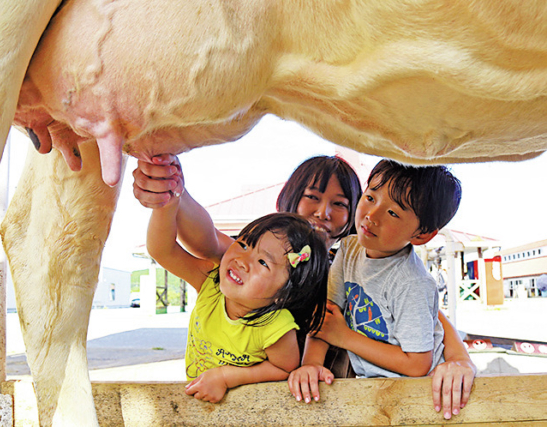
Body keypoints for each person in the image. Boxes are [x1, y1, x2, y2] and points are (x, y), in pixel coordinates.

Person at [133, 154, 476, 419]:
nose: (323, 212)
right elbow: (208, 242)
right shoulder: (262, 258)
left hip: (324, 401)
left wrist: (460, 360)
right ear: (291, 196)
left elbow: (429, 316)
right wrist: (174, 188)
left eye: (340, 204)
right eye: (312, 197)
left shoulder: (352, 263)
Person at [289, 160, 464, 416]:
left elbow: (417, 364)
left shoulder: (412, 283)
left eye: (393, 213)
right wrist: (311, 365)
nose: (372, 215)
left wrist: (345, 337)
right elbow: (328, 315)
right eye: (370, 197)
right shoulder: (350, 250)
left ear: (422, 235)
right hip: (375, 385)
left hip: (423, 392)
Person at [146, 203, 330, 403]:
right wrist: (164, 205)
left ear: (286, 293)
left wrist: (225, 377)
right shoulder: (211, 283)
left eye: (262, 262)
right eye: (243, 245)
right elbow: (162, 251)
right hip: (198, 402)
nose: (242, 260)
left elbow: (284, 368)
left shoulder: (276, 325)